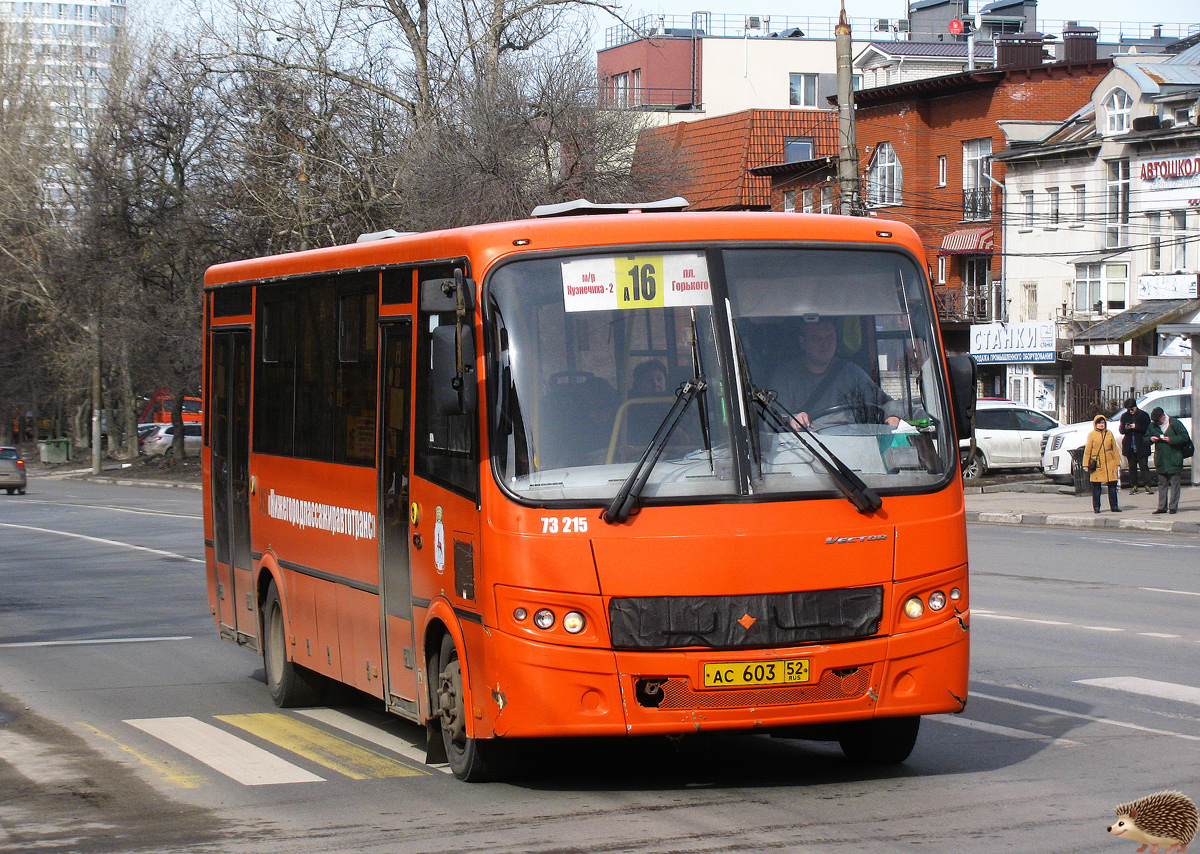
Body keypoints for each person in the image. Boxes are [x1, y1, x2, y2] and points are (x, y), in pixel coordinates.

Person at [768, 317, 902, 430]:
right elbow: (771, 419)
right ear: (802, 342)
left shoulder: (851, 373)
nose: (825, 344)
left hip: (855, 444)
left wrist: (892, 416)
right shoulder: (785, 377)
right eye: (817, 339)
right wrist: (792, 419)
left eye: (830, 338)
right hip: (807, 447)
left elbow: (885, 402)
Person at [1147, 405, 1191, 515]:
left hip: (1174, 458)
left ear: (1163, 416)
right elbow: (1145, 437)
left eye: (1159, 420)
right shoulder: (1153, 425)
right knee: (1162, 484)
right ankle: (1161, 507)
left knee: (1175, 484)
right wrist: (1150, 439)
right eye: (1156, 421)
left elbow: (1185, 437)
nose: (1158, 423)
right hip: (1161, 459)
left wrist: (1171, 439)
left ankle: (1173, 507)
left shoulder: (1174, 423)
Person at [1083, 414, 1122, 514]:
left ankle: (1114, 506)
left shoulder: (1109, 434)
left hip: (1110, 464)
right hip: (1097, 464)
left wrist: (1117, 463)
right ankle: (1097, 507)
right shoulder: (1092, 434)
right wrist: (1086, 464)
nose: (1101, 425)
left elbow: (1114, 449)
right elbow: (1088, 450)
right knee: (1096, 487)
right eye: (1099, 423)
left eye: (1103, 422)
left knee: (1112, 486)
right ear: (1095, 424)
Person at [1117, 398, 1151, 494]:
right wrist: (1127, 427)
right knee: (1132, 467)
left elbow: (1147, 428)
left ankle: (1147, 485)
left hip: (1141, 445)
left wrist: (1136, 426)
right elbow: (1121, 430)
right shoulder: (1125, 416)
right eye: (1128, 410)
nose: (1130, 412)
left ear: (1136, 407)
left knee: (1143, 466)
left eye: (1132, 409)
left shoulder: (1143, 415)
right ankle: (1134, 485)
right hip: (1130, 446)